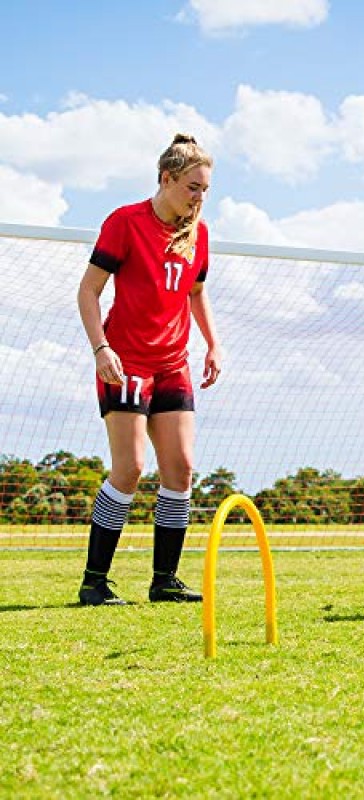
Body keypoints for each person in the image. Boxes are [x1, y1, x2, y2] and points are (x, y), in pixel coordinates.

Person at [76, 133, 221, 605]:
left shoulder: (197, 234)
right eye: (192, 188)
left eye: (205, 190)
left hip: (172, 365)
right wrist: (101, 348)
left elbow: (195, 293)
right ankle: (94, 581)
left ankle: (165, 581)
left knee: (180, 470)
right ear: (166, 179)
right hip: (126, 361)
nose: (199, 198)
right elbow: (88, 292)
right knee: (131, 468)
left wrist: (212, 345)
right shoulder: (125, 222)